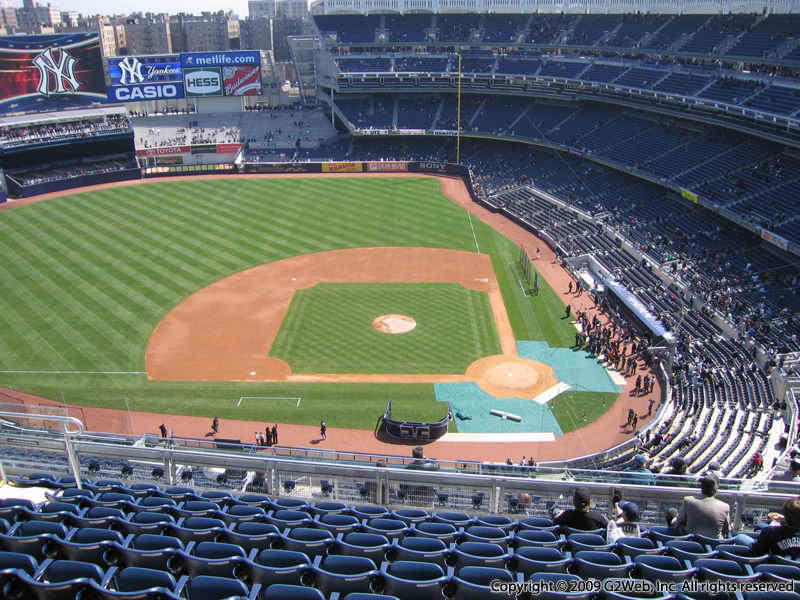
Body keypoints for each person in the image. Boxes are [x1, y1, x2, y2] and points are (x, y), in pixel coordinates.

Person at [735, 498, 800, 559]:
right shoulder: (771, 530)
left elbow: (758, 552)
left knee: (740, 537)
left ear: (785, 514)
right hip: (794, 569)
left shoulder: (771, 531)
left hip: (773, 568)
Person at [675, 472, 731, 539]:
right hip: (714, 545)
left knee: (672, 513)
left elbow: (678, 523)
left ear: (701, 488)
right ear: (716, 490)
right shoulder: (725, 507)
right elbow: (727, 530)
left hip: (691, 543)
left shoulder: (688, 501)